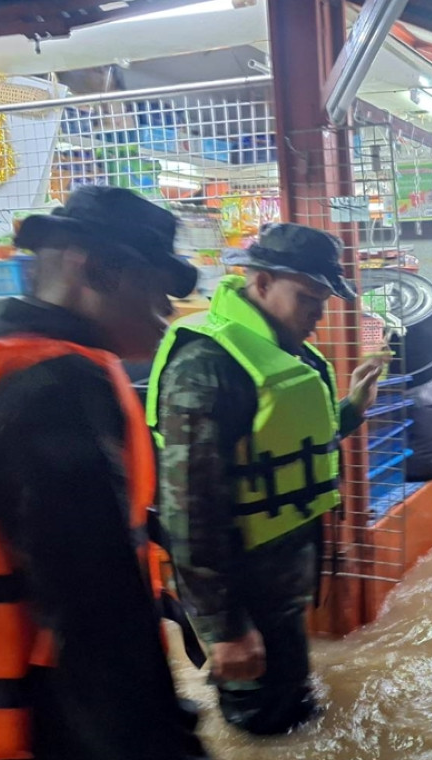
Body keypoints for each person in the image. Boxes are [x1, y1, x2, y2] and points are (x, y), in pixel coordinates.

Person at [0, 186, 207, 760]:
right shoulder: (56, 390)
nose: (167, 311)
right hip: (48, 724)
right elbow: (95, 617)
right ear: (100, 270)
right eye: (158, 289)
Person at [147, 223, 385, 735]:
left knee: (293, 705)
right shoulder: (207, 366)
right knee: (259, 719)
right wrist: (225, 629)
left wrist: (352, 408)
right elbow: (189, 510)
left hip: (282, 583)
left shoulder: (284, 351)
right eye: (307, 298)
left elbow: (287, 446)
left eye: (323, 302)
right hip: (241, 592)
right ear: (261, 282)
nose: (318, 315)